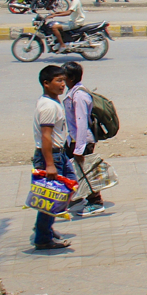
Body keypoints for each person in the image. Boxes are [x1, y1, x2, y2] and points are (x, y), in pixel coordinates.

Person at [31, 64, 76, 250]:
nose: (62, 85)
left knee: (67, 188)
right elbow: (46, 135)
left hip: (59, 154)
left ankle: (45, 228)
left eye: (63, 81)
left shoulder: (52, 102)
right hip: (51, 156)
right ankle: (43, 236)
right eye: (58, 81)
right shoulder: (49, 106)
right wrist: (50, 164)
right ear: (46, 83)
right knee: (52, 196)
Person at [61, 62, 105, 216]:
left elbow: (81, 123)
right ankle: (78, 198)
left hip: (82, 141)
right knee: (74, 170)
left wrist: (79, 149)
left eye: (63, 77)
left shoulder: (79, 95)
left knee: (87, 171)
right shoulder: (74, 92)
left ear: (71, 78)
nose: (61, 81)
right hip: (74, 140)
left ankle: (95, 202)